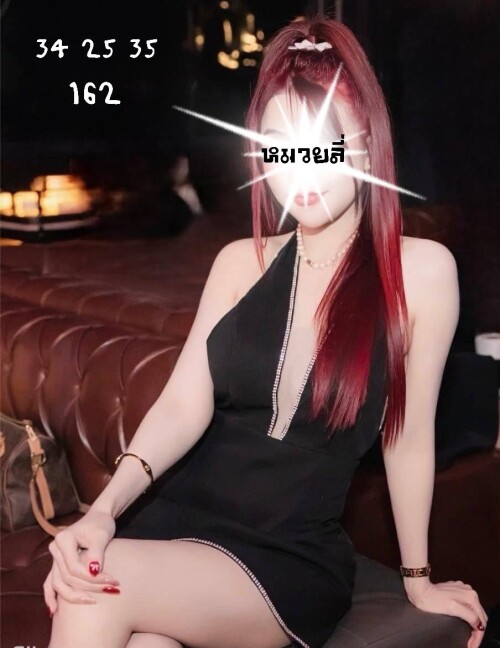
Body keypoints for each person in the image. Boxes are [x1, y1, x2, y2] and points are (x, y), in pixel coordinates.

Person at [44, 16, 488, 648]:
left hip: (287, 556)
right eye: (279, 147)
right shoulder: (238, 262)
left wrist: (418, 580)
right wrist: (105, 510)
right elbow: (182, 404)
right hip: (183, 520)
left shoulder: (422, 271)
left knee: (96, 584)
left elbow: (408, 437)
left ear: (367, 145)